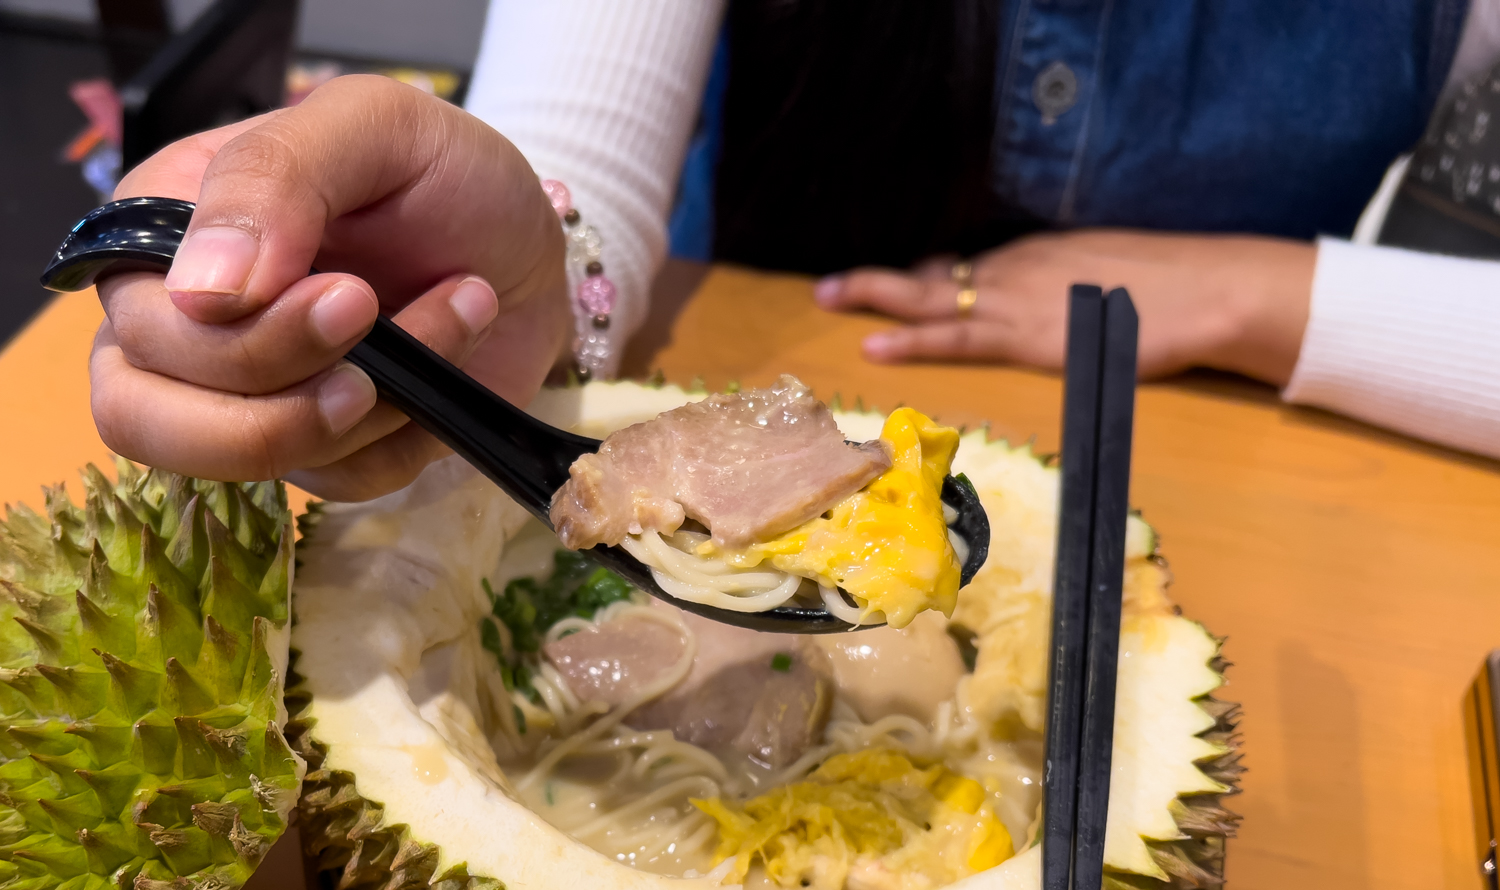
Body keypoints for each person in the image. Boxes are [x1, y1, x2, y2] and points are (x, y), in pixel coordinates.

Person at [91, 1, 1500, 504]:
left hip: (1257, 469)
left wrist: (1275, 294)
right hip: (687, 387)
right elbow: (573, 162)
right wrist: (530, 282)